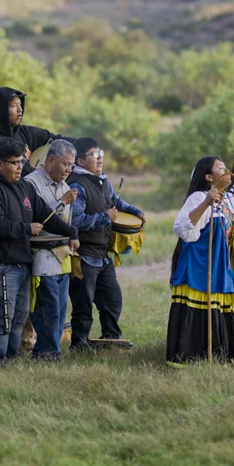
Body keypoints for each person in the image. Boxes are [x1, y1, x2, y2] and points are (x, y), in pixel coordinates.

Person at [0, 138, 79, 363]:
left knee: (19, 316)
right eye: (14, 163)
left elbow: (45, 214)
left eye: (21, 162)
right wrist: (26, 228)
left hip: (21, 262)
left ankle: (9, 357)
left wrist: (71, 232)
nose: (20, 167)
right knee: (2, 318)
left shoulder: (23, 186)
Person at [167, 155, 234, 366]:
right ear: (208, 177)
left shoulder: (230, 200)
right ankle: (193, 356)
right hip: (199, 265)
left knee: (220, 310)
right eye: (220, 168)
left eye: (225, 167)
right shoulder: (198, 197)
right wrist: (206, 202)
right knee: (197, 310)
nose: (226, 170)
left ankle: (221, 356)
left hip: (220, 265)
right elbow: (183, 229)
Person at [67, 137, 145, 349]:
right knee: (83, 305)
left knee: (112, 300)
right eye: (94, 155)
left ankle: (110, 339)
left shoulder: (102, 180)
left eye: (100, 153)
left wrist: (135, 211)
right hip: (83, 255)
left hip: (101, 255)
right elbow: (75, 221)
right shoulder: (77, 184)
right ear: (81, 162)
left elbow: (115, 202)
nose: (100, 158)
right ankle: (79, 345)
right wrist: (105, 217)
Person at [23, 138, 78, 360]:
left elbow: (66, 224)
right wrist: (62, 202)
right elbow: (39, 218)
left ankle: (52, 351)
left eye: (72, 166)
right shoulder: (31, 183)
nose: (68, 170)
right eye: (65, 164)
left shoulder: (65, 186)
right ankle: (45, 353)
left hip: (63, 255)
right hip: (42, 255)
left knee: (61, 309)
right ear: (51, 159)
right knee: (48, 308)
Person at [0, 87, 64, 176]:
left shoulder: (26, 132)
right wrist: (33, 173)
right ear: (1, 110)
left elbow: (58, 139)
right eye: (13, 105)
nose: (20, 109)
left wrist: (77, 147)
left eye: (20, 104)